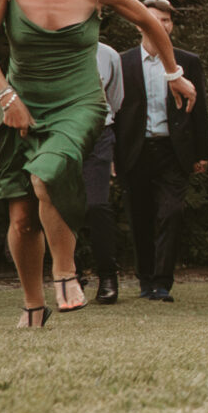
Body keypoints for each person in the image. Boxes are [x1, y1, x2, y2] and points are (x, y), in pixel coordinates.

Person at [0, 0, 190, 327]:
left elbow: (150, 22)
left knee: (48, 174)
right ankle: (33, 307)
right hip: (20, 103)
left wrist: (174, 73)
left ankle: (66, 271)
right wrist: (7, 98)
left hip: (80, 102)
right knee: (22, 217)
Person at [115, 0, 208, 302]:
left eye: (166, 20)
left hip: (173, 150)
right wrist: (112, 155)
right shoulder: (123, 62)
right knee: (139, 216)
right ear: (139, 23)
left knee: (172, 213)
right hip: (135, 150)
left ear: (172, 25)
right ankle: (146, 280)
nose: (160, 25)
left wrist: (202, 153)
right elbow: (113, 111)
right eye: (154, 19)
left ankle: (162, 282)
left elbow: (200, 109)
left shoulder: (188, 62)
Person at [83, 41, 125, 304]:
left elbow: (115, 100)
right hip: (59, 132)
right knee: (62, 206)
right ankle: (70, 275)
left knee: (97, 205)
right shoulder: (53, 47)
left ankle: (108, 275)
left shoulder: (109, 55)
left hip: (99, 133)